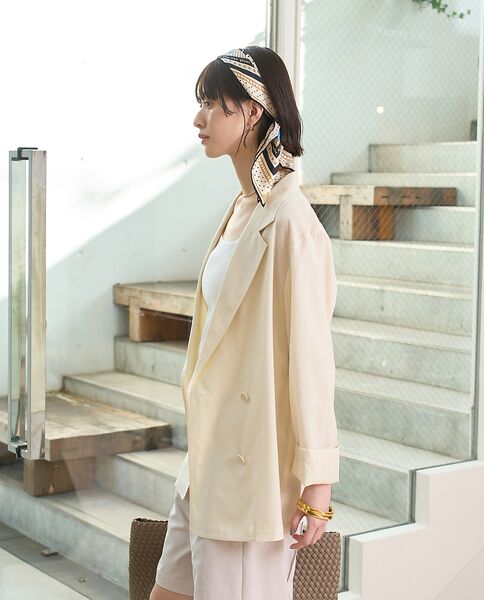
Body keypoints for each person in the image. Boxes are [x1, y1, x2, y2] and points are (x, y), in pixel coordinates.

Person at [150, 46, 339, 600]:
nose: (199, 118)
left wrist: (318, 481)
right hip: (206, 464)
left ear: (253, 111)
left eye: (214, 103)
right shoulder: (242, 209)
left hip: (249, 472)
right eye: (202, 103)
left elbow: (311, 360)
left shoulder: (292, 224)